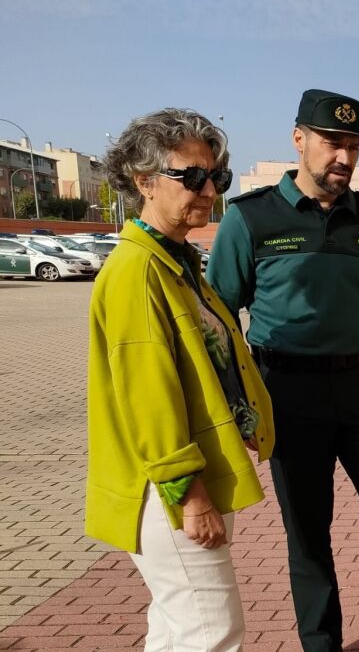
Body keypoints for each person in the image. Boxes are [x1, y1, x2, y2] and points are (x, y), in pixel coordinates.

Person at [207, 89, 359, 651]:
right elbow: (218, 321)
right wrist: (238, 404)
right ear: (299, 140)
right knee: (309, 538)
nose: (343, 157)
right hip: (288, 397)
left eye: (353, 146)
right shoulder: (250, 218)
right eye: (332, 143)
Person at [86, 108, 275, 651]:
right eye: (191, 176)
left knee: (176, 630)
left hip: (189, 479)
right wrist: (188, 495)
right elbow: (148, 396)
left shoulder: (177, 261)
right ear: (143, 181)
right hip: (167, 491)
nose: (209, 190)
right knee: (212, 632)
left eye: (217, 177)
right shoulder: (137, 270)